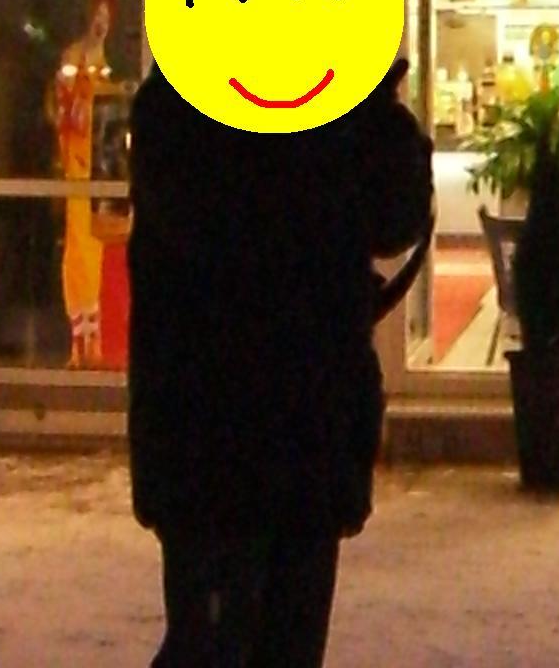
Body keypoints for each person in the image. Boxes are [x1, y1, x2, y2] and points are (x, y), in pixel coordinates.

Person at [129, 55, 432, 666]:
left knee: (266, 637)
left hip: (277, 425)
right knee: (220, 642)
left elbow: (395, 215)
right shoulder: (197, 89)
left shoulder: (320, 91)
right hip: (228, 428)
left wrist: (369, 105)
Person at [48, 0, 118, 368]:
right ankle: (79, 340)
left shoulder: (107, 61)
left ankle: (94, 337)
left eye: (107, 18)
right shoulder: (73, 57)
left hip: (101, 164)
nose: (101, 24)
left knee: (97, 249)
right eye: (97, 16)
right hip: (77, 165)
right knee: (78, 249)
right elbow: (62, 106)